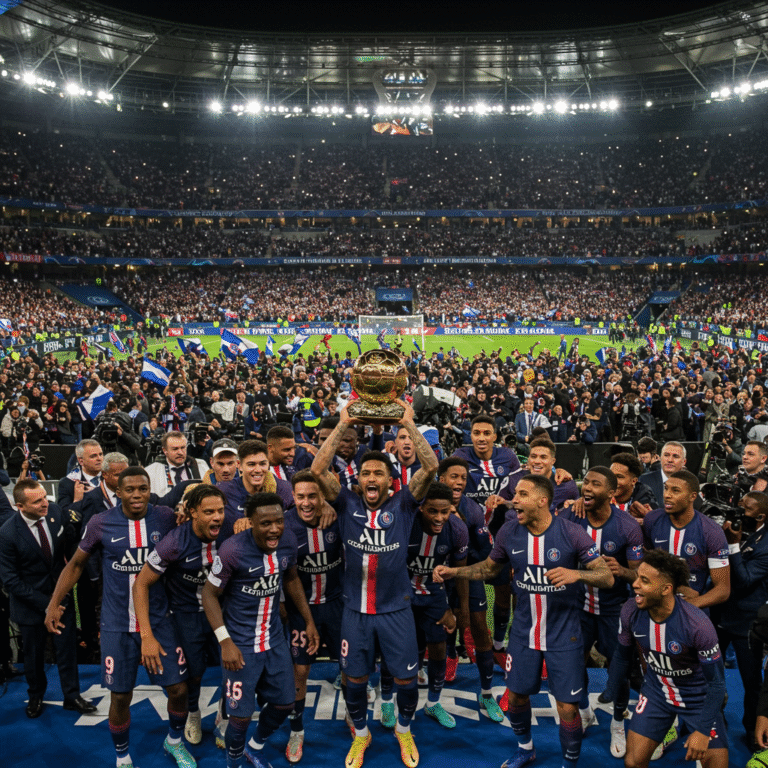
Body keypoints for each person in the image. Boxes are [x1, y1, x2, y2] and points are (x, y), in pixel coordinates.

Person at [433, 474, 614, 768]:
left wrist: (577, 574)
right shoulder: (508, 532)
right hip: (523, 635)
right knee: (516, 698)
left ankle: (570, 763)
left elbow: (605, 576)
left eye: (522, 494)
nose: (514, 499)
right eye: (515, 494)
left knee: (567, 708)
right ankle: (525, 748)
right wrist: (456, 572)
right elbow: (490, 568)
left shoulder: (572, 533)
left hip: (564, 636)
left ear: (543, 501)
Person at [310, 400, 438, 768]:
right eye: (365, 473)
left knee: (406, 681)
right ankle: (362, 735)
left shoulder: (404, 504)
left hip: (396, 610)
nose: (371, 478)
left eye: (378, 473)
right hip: (355, 611)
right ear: (358, 479)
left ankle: (403, 728)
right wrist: (344, 422)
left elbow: (430, 466)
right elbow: (318, 467)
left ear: (389, 480)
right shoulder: (346, 501)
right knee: (355, 678)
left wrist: (409, 422)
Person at [45, 467, 194, 768]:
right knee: (120, 697)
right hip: (117, 625)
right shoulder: (101, 523)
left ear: (149, 488)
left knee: (179, 689)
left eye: (142, 488)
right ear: (119, 492)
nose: (137, 495)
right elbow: (75, 565)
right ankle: (123, 757)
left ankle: (174, 742)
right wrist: (54, 603)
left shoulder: (165, 517)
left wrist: (185, 511)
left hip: (159, 621)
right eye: (130, 490)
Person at [201, 492, 319, 768]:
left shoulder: (288, 540)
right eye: (266, 523)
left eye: (279, 521)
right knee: (240, 717)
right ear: (251, 522)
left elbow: (291, 579)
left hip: (275, 639)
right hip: (240, 644)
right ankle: (234, 763)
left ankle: (254, 747)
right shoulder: (232, 550)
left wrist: (308, 619)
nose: (274, 528)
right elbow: (209, 595)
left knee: (285, 703)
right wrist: (225, 641)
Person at [132, 485, 236, 747]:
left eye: (220, 511)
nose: (216, 517)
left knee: (232, 667)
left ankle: (225, 717)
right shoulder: (174, 542)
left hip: (223, 612)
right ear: (192, 513)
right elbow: (141, 583)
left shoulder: (231, 527)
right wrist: (146, 634)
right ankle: (193, 713)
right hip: (186, 614)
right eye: (209, 512)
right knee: (194, 673)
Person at [604, 550, 728, 768]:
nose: (635, 585)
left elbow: (717, 684)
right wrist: (611, 687)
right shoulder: (630, 611)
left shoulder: (698, 625)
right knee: (633, 762)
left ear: (666, 589)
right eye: (637, 577)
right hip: (657, 692)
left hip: (698, 697)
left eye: (644, 580)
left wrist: (701, 730)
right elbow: (622, 655)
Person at [559, 467, 644, 758]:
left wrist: (622, 571)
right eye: (586, 483)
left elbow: (639, 577)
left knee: (617, 671)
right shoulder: (572, 515)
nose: (588, 488)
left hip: (613, 611)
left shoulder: (627, 526)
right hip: (578, 608)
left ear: (612, 492)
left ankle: (618, 722)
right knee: (573, 664)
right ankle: (584, 711)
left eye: (596, 484)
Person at [0, 479, 97, 718]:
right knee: (33, 657)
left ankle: (72, 696)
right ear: (20, 506)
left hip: (61, 598)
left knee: (67, 651)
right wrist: (48, 606)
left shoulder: (55, 512)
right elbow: (10, 580)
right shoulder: (7, 534)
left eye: (45, 497)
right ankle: (35, 696)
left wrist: (59, 598)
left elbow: (68, 551)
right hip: (30, 605)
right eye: (37, 501)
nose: (45, 503)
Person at [379, 482, 468, 730]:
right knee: (394, 648)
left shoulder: (458, 529)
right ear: (421, 508)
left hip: (433, 594)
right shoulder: (405, 525)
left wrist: (458, 609)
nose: (439, 518)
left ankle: (433, 703)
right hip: (401, 592)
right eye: (432, 511)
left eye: (445, 511)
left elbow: (459, 571)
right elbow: (386, 565)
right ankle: (386, 701)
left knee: (438, 648)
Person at [282, 470, 344, 764]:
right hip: (301, 609)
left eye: (313, 496)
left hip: (336, 606)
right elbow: (288, 576)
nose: (306, 503)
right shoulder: (283, 525)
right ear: (292, 497)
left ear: (322, 497)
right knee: (301, 671)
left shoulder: (336, 518)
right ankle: (297, 731)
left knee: (351, 666)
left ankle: (354, 718)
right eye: (301, 497)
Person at [437, 456, 502, 722]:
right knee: (438, 632)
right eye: (454, 477)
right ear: (441, 479)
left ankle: (487, 694)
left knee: (477, 628)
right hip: (436, 579)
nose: (459, 482)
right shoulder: (426, 505)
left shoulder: (472, 510)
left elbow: (485, 552)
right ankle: (438, 685)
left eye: (463, 478)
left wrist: (461, 533)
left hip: (467, 575)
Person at [716, 491, 768, 750]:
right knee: (708, 675)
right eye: (738, 505)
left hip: (747, 624)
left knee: (752, 682)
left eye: (745, 509)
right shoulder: (726, 527)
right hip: (718, 615)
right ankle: (713, 719)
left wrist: (733, 545)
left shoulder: (767, 544)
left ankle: (752, 731)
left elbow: (745, 579)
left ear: (760, 516)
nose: (738, 512)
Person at [642, 470, 730, 611]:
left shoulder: (711, 532)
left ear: (692, 496)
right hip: (655, 604)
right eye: (666, 488)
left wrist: (689, 605)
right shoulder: (652, 520)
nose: (667, 495)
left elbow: (723, 589)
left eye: (675, 491)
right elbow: (645, 564)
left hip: (692, 609)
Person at [218, 440, 293, 518]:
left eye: (262, 464)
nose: (258, 470)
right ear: (239, 465)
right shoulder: (224, 491)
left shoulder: (285, 490)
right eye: (251, 464)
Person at [146, 431, 210, 497]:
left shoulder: (200, 465)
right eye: (175, 449)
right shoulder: (151, 472)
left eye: (183, 448)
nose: (180, 452)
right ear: (165, 450)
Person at [636, 441, 688, 519]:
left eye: (675, 456)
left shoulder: (689, 483)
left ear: (684, 462)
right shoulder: (644, 480)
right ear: (660, 458)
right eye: (666, 455)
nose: (670, 460)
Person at [57, 438, 104, 512]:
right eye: (93, 456)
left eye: (100, 454)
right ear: (81, 461)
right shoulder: (68, 483)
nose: (99, 459)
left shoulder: (110, 476)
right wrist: (77, 501)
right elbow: (64, 515)